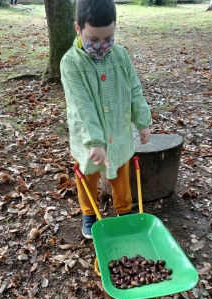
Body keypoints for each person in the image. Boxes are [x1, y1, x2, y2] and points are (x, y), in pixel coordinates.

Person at [60, 0, 152, 239]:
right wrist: (95, 141)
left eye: (108, 38)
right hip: (87, 141)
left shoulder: (120, 56)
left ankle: (123, 211)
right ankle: (89, 213)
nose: (102, 46)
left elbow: (134, 89)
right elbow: (81, 106)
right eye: (94, 39)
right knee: (87, 176)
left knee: (122, 176)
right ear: (78, 29)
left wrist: (142, 121)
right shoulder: (71, 63)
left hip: (119, 133)